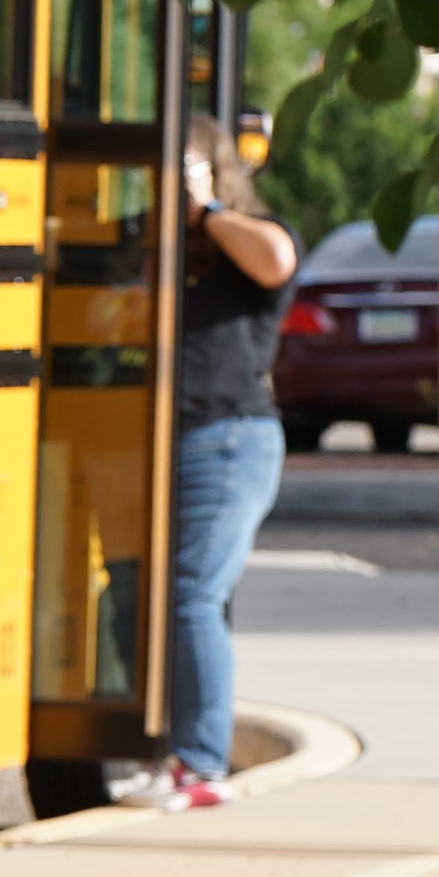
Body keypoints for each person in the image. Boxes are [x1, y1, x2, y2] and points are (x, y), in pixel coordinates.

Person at [148, 110, 300, 810]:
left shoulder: (238, 239)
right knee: (145, 595)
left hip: (228, 439)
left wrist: (202, 208)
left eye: (183, 167)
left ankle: (202, 764)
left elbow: (278, 260)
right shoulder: (151, 250)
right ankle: (157, 748)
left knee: (190, 593)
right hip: (153, 442)